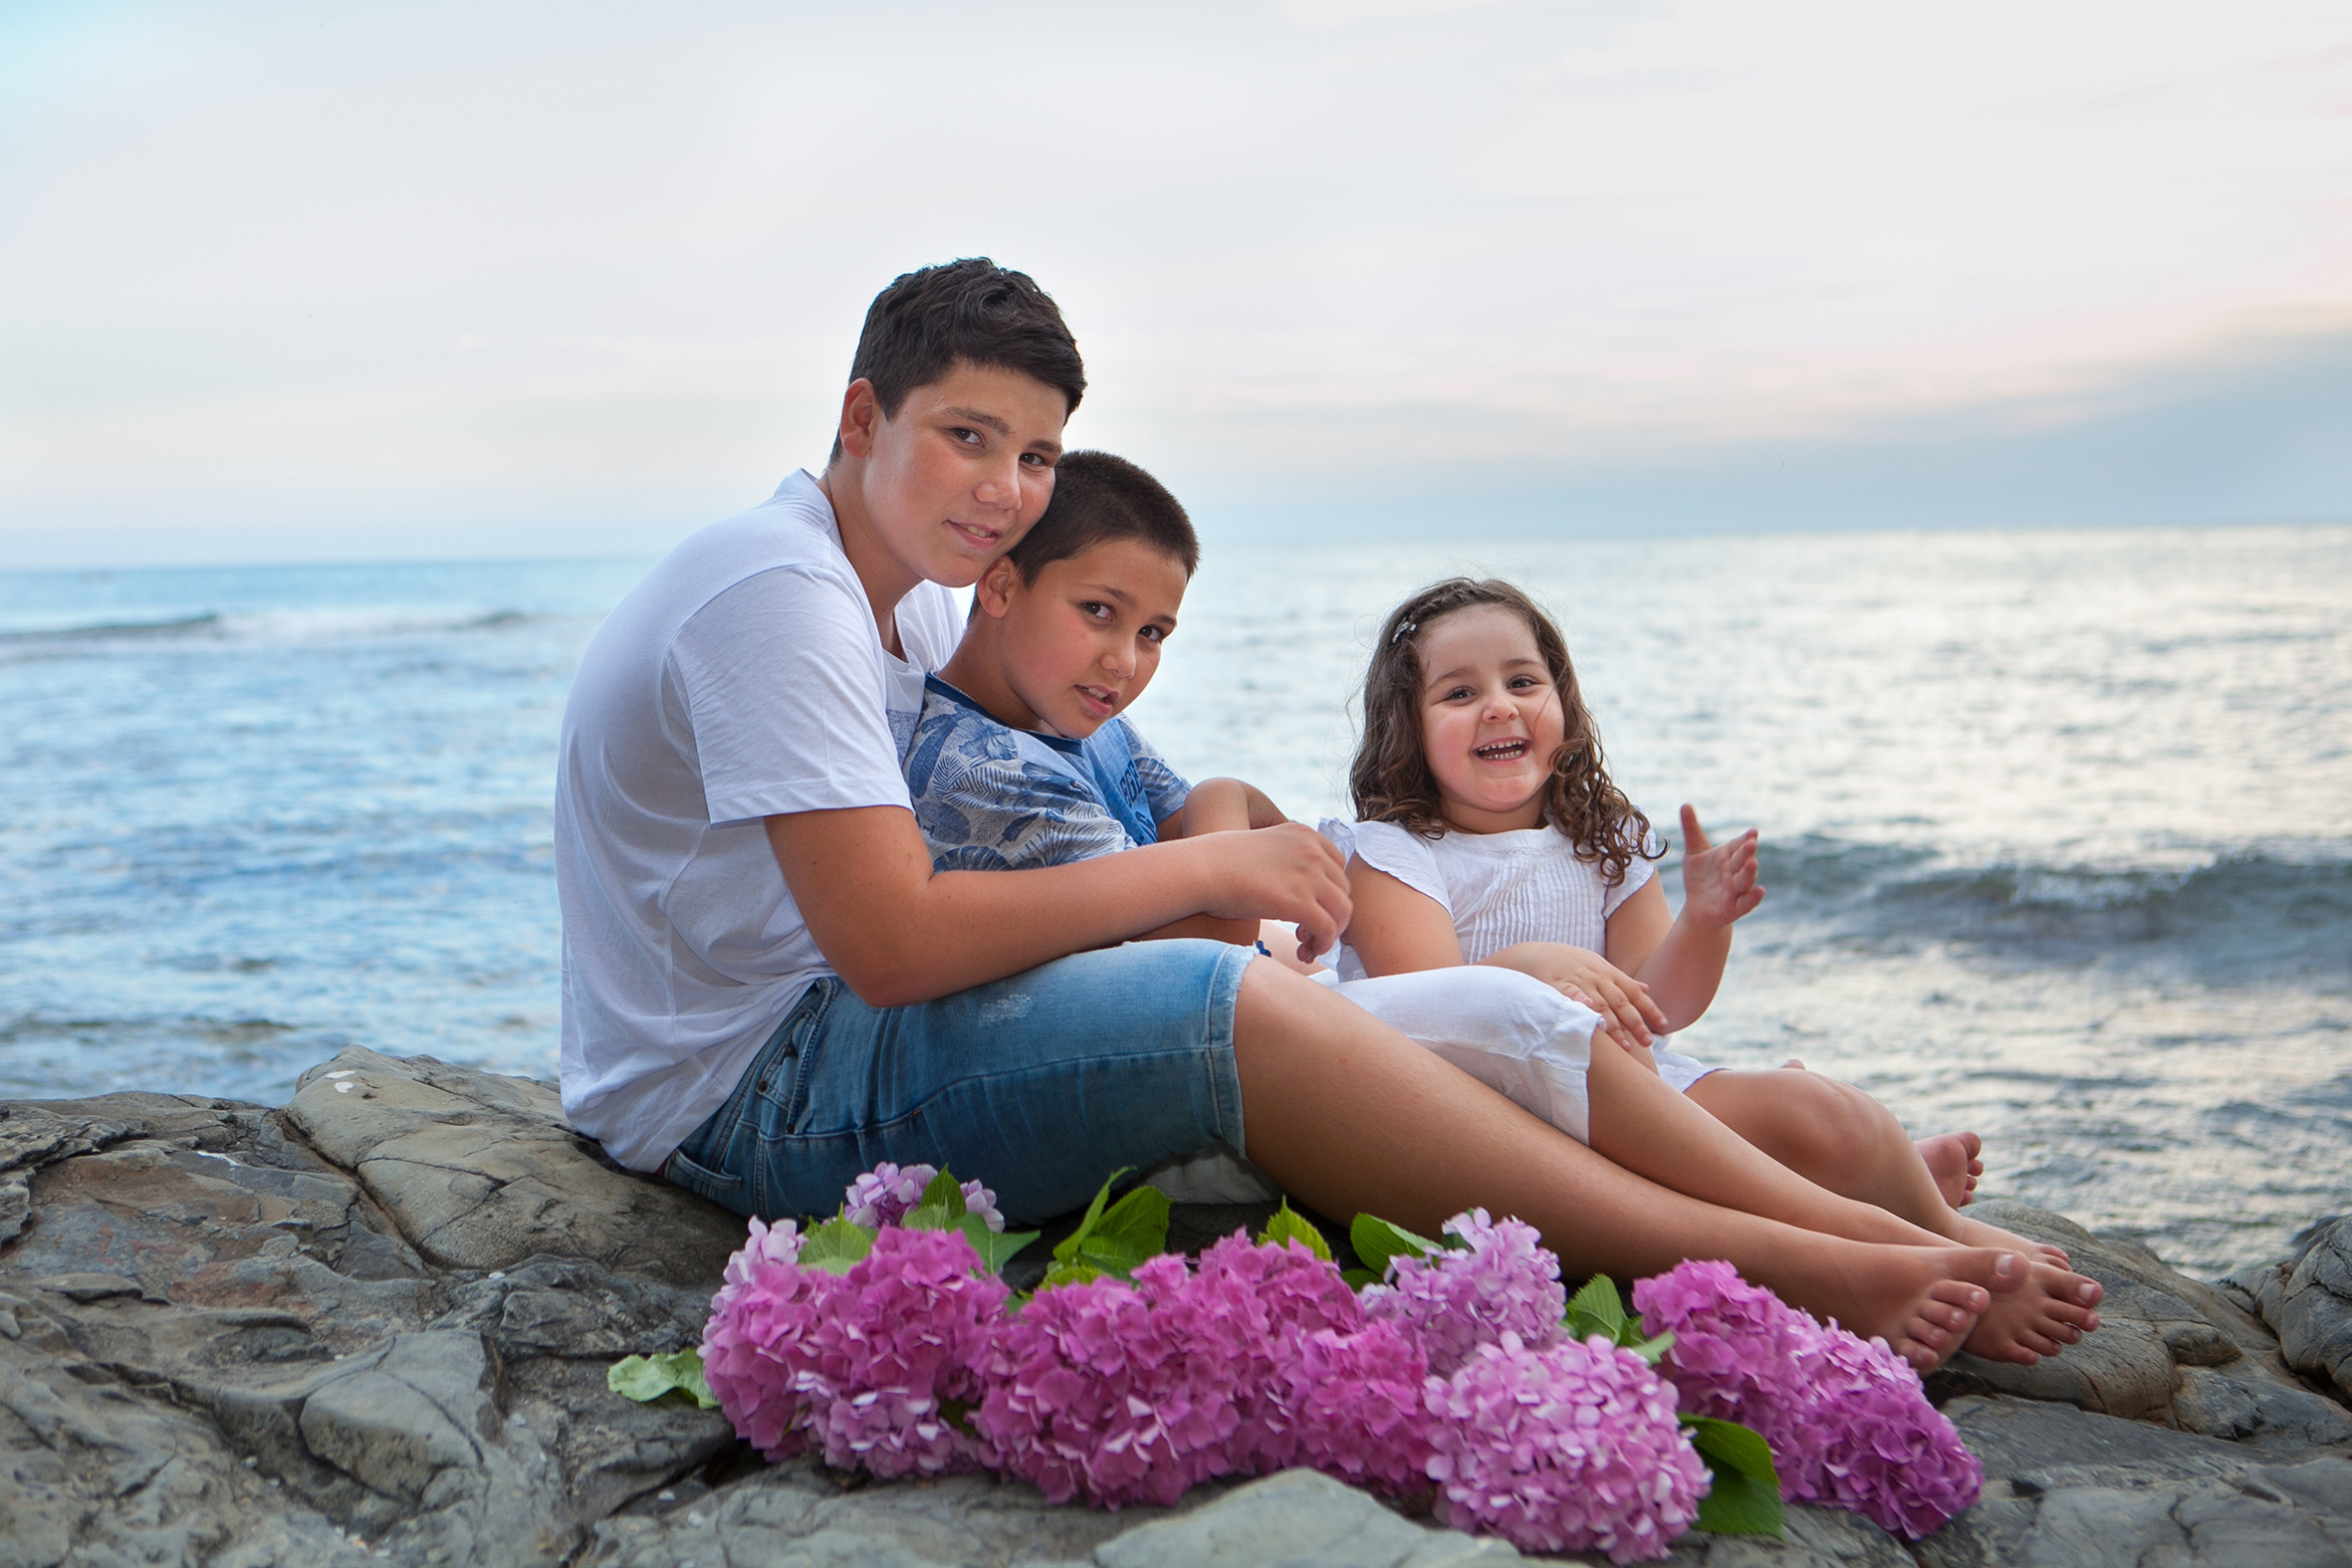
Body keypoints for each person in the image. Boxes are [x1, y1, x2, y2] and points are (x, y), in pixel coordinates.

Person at [554, 257, 2092, 1370]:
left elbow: (1062, 806)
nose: (1004, 488)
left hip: (813, 1027)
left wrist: (1211, 841)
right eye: (966, 437)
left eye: (1033, 455)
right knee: (1231, 1004)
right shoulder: (783, 597)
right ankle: (1797, 1262)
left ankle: (1876, 1238)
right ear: (860, 414)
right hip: (741, 1087)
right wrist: (1222, 862)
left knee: (1328, 1001)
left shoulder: (894, 597)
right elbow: (890, 940)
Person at [895, 463, 2097, 1364]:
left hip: (1508, 1056)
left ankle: (1905, 1218)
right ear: (998, 589)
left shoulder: (1088, 734)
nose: (1125, 659)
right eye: (1100, 615)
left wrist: (1703, 923)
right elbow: (1185, 963)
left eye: (1152, 631)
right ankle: (1861, 1248)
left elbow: (1212, 834)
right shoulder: (995, 768)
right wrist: (1237, 857)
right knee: (1518, 1013)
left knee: (1820, 1109)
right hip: (1292, 1062)